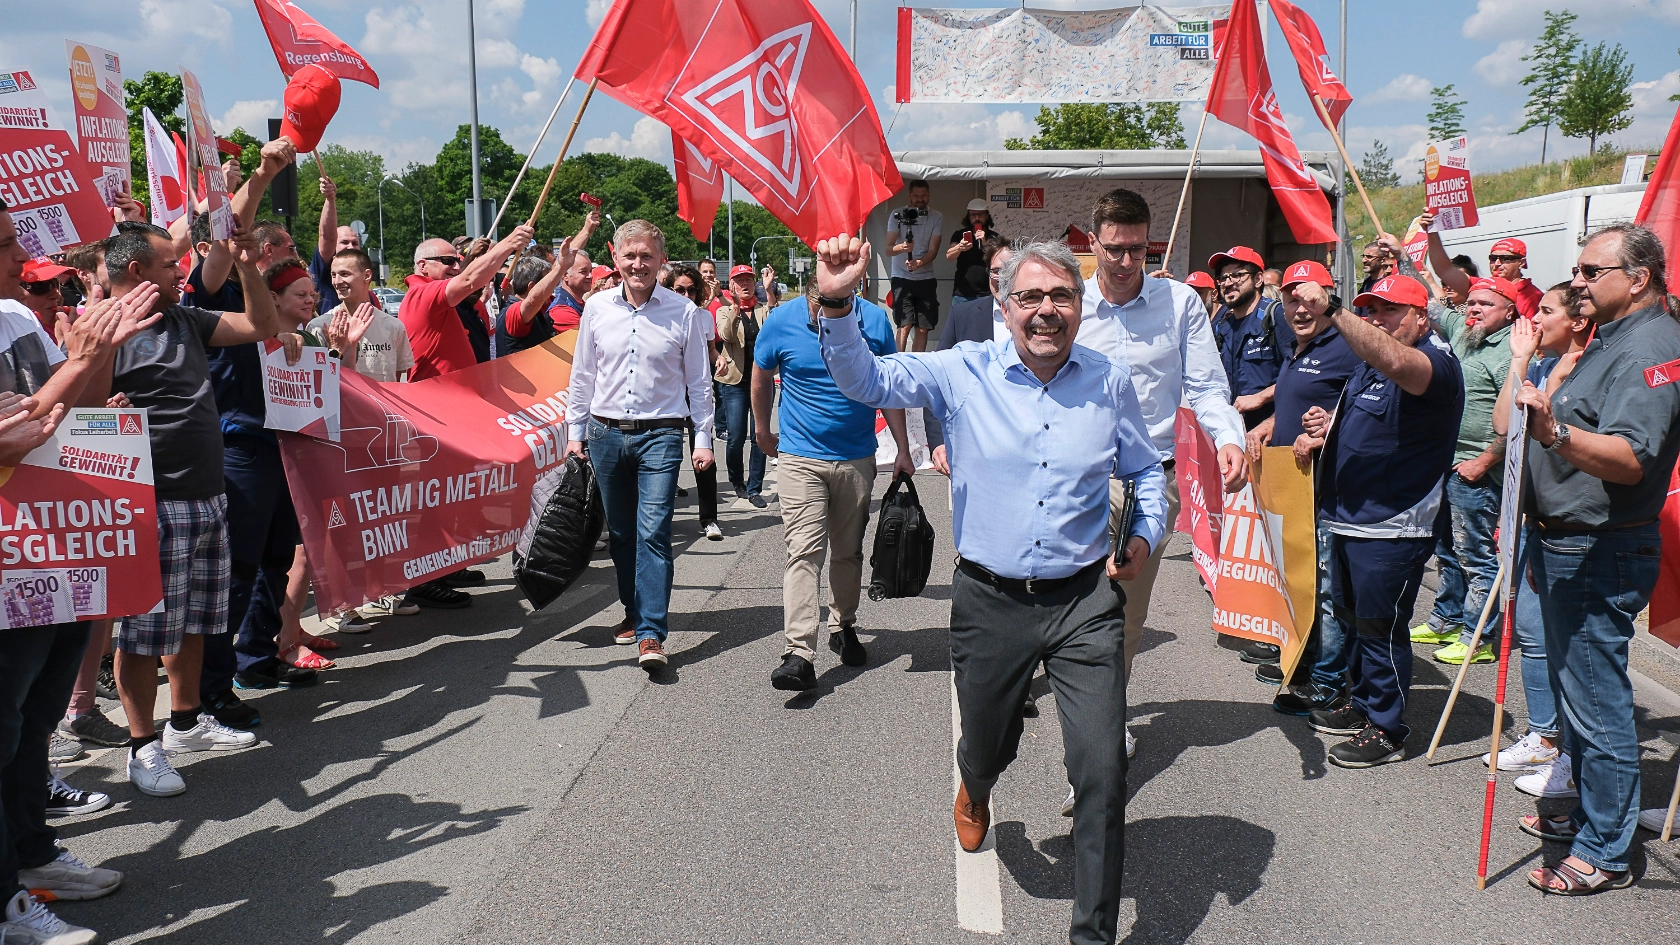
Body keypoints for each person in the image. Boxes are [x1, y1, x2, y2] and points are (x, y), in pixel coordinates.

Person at [815, 233, 1165, 945]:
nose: (1045, 310)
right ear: (1003, 308)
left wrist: (1144, 533)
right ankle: (976, 784)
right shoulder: (960, 370)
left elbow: (1148, 469)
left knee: (1101, 768)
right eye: (1030, 297)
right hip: (989, 597)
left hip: (1084, 603)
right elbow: (865, 381)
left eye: (1060, 296)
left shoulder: (1109, 381)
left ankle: (1092, 934)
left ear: (1080, 307)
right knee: (987, 739)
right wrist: (836, 299)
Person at [101, 218, 304, 796]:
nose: (179, 272)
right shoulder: (103, 331)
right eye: (170, 264)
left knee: (197, 619)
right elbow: (75, 411)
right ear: (137, 270)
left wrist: (244, 261)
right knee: (143, 632)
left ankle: (186, 722)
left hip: (207, 494)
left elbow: (262, 324)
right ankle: (144, 747)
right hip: (152, 500)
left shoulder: (184, 318)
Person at [1515, 223, 1680, 895]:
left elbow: (1630, 455)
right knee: (1580, 699)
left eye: (1589, 270)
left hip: (1600, 547)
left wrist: (1553, 429)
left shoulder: (1652, 345)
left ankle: (1606, 849)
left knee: (1598, 702)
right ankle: (1591, 813)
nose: (1575, 280)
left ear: (1637, 277)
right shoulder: (1613, 338)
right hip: (1566, 542)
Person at [0, 198, 140, 945]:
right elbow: (8, 440)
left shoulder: (19, 323)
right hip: (6, 558)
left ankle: (33, 857)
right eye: (6, 243)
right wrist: (81, 363)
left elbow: (70, 412)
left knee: (33, 719)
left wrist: (102, 347)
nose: (23, 260)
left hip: (54, 549)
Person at [1075, 188, 1248, 758]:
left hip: (1153, 480)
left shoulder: (1178, 305)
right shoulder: (1069, 302)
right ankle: (1074, 687)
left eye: (1139, 251)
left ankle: (1103, 718)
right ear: (1093, 242)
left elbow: (1205, 384)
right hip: (1078, 479)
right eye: (1115, 250)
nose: (1127, 264)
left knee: (1123, 608)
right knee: (1072, 602)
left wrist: (1227, 438)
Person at [1302, 274, 1463, 768]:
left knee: (1380, 626)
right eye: (1371, 310)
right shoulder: (1372, 367)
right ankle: (1365, 701)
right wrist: (1330, 425)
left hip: (1393, 522)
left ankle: (1388, 728)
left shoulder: (1433, 362)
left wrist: (1333, 308)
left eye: (1390, 311)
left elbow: (1397, 363)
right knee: (1354, 620)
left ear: (1422, 316)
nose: (1378, 320)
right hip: (1352, 516)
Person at [564, 220, 715, 672]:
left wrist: (703, 438)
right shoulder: (596, 308)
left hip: (661, 436)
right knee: (623, 535)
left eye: (647, 256)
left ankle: (651, 633)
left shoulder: (682, 313)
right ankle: (633, 610)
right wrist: (575, 433)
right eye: (630, 256)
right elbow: (583, 375)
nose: (638, 264)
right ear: (616, 258)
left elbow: (699, 383)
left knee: (653, 532)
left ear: (660, 261)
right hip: (605, 434)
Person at [755, 279, 913, 691]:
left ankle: (842, 625)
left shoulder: (875, 322)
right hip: (800, 456)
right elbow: (760, 374)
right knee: (803, 551)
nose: (817, 317)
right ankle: (798, 652)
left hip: (856, 456)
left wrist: (903, 448)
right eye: (814, 308)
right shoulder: (781, 319)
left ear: (848, 298)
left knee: (848, 552)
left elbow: (888, 387)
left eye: (827, 308)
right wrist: (761, 431)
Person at [1243, 261, 1362, 710]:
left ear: (1329, 299)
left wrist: (1325, 432)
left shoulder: (1347, 347)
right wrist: (1270, 425)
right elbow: (1302, 400)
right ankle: (1302, 658)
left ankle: (1328, 681)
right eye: (1291, 299)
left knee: (1326, 587)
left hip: (1328, 489)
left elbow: (1364, 410)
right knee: (1299, 577)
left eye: (1310, 298)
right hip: (1294, 485)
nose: (1299, 308)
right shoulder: (1300, 347)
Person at [1484, 283, 1586, 780]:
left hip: (1572, 525)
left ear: (1577, 321)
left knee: (1569, 641)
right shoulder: (1540, 364)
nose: (1533, 320)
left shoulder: (1588, 370)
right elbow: (1505, 423)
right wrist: (1520, 363)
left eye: (1545, 311)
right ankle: (1544, 734)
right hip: (1529, 518)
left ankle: (1570, 748)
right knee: (1528, 630)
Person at [1408, 276, 1519, 667]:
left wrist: (1484, 461)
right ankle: (1446, 620)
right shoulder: (1463, 331)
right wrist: (1405, 253)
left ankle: (1479, 637)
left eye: (1486, 304)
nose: (1474, 309)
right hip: (1445, 464)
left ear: (1509, 312)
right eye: (1471, 302)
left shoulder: (1512, 353)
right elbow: (1430, 298)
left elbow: (1518, 420)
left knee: (1475, 555)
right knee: (1446, 552)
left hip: (1476, 471)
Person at [401, 225, 533, 382]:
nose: (457, 267)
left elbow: (469, 282)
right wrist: (510, 243)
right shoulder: (422, 294)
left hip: (455, 396)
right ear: (423, 266)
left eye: (458, 260)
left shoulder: (437, 299)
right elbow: (469, 280)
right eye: (448, 261)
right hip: (439, 399)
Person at [668, 264, 723, 540]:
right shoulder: (661, 317)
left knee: (703, 453)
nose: (686, 295)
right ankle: (663, 518)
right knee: (666, 455)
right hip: (668, 394)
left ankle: (709, 519)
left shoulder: (703, 318)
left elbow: (711, 350)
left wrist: (719, 359)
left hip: (697, 392)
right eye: (680, 290)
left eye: (691, 290)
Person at [1209, 246, 1288, 431]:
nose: (1228, 283)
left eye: (1237, 275)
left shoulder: (1277, 316)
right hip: (1233, 431)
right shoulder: (1222, 325)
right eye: (1223, 278)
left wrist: (1261, 397)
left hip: (1272, 430)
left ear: (1258, 279)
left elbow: (1299, 374)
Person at [310, 248, 414, 383]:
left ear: (367, 276)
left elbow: (397, 378)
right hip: (342, 403)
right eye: (333, 275)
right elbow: (317, 381)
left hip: (380, 403)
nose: (337, 281)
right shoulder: (319, 327)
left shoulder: (393, 326)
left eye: (344, 274)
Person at [715, 265, 770, 501]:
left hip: (760, 382)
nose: (745, 284)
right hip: (735, 382)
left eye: (749, 279)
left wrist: (771, 294)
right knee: (736, 436)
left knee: (759, 436)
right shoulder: (724, 311)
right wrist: (735, 308)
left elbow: (774, 333)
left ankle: (755, 487)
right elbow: (725, 336)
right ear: (732, 285)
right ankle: (737, 481)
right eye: (740, 280)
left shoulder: (763, 310)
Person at [1424, 227, 1542, 320]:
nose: (1497, 263)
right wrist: (1432, 232)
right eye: (1492, 258)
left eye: (1506, 258)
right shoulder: (1483, 286)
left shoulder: (1533, 296)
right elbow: (1445, 271)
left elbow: (1537, 345)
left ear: (1521, 263)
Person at [886, 180, 943, 353]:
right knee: (904, 324)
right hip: (901, 277)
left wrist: (919, 263)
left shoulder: (936, 217)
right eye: (916, 196)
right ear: (909, 195)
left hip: (926, 277)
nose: (920, 199)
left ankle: (917, 364)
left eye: (923, 195)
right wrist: (902, 247)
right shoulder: (897, 215)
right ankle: (898, 362)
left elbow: (933, 250)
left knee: (923, 327)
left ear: (929, 195)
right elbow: (888, 249)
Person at [309, 175, 362, 314]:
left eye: (355, 243)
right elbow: (326, 237)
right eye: (344, 242)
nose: (350, 246)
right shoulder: (323, 271)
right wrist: (330, 200)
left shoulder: (368, 291)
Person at [944, 198, 998, 304]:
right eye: (973, 215)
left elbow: (998, 260)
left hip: (986, 293)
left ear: (987, 216)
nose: (977, 218)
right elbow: (949, 256)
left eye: (980, 215)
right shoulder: (959, 234)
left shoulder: (994, 237)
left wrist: (984, 243)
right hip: (962, 294)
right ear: (968, 217)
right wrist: (960, 247)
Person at [16, 258, 72, 337]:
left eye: (56, 283)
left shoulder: (69, 320)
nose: (57, 295)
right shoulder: (12, 340)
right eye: (40, 286)